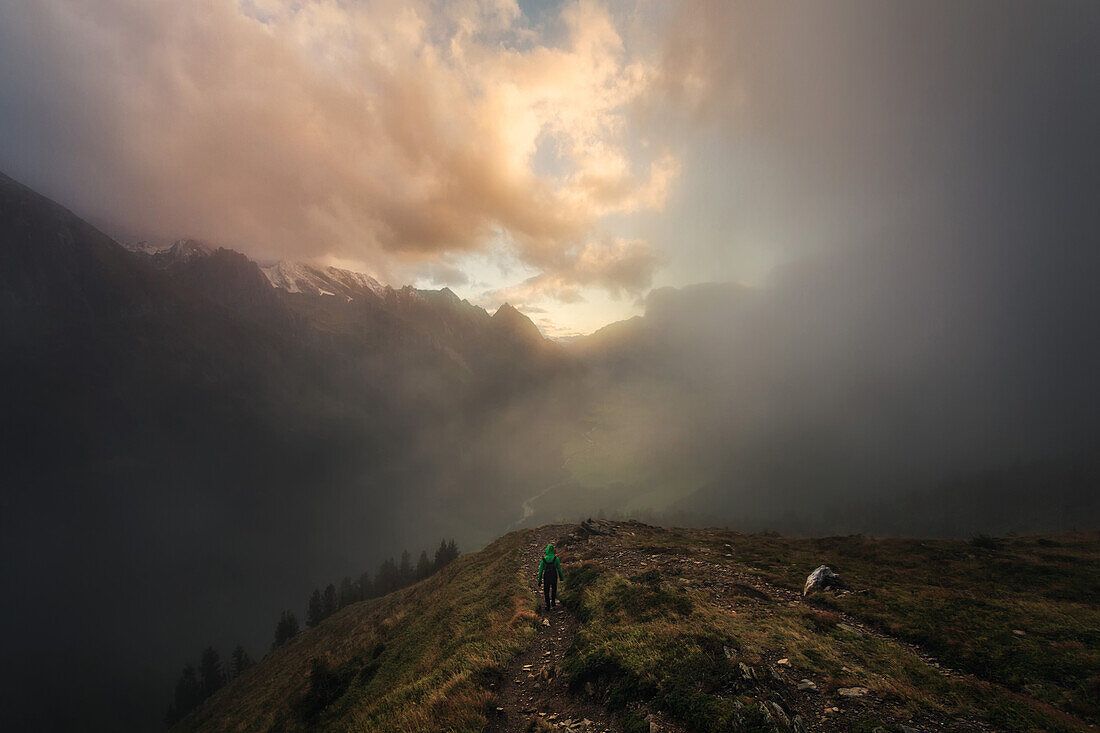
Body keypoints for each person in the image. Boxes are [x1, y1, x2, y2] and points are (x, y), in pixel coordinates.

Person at [537, 543, 565, 611]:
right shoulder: (556, 559)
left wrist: (539, 580)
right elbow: (559, 569)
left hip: (546, 575)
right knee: (554, 589)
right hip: (554, 575)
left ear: (547, 550)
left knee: (546, 590)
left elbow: (540, 571)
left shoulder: (544, 559)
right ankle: (553, 602)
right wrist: (561, 578)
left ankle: (548, 605)